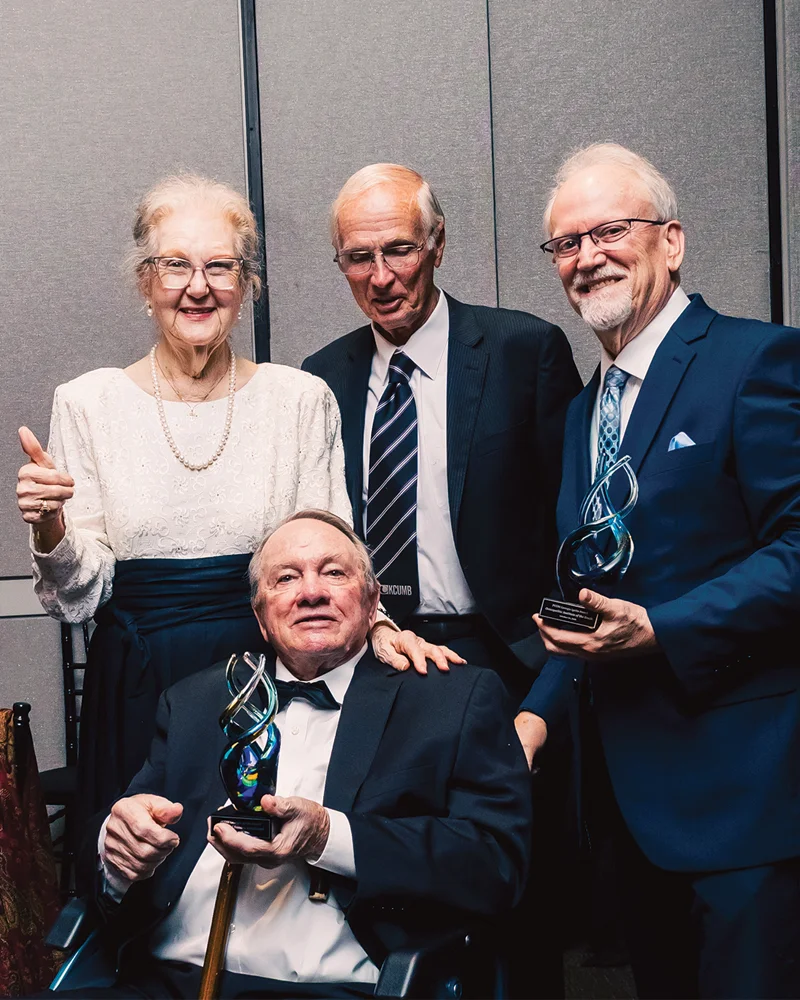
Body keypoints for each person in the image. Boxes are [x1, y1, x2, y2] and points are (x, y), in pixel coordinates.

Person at [15, 175, 459, 825]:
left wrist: (380, 627)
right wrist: (50, 525)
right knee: (151, 882)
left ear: (246, 285)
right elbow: (80, 596)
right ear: (145, 282)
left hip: (275, 676)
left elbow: (333, 550)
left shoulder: (299, 398)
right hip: (141, 684)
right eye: (176, 266)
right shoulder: (87, 402)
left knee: (269, 869)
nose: (199, 286)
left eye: (220, 266)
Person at [516, 143, 800, 999]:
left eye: (609, 230)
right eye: (566, 243)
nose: (586, 256)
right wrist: (532, 721)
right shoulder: (583, 412)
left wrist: (663, 628)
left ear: (670, 242)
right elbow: (590, 596)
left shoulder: (758, 362)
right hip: (627, 810)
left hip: (744, 800)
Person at [54, 510, 532, 999]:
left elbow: (495, 865)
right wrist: (117, 852)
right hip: (165, 982)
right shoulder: (196, 701)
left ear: (373, 604)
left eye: (334, 573)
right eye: (287, 578)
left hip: (331, 988)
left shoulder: (451, 699)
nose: (311, 592)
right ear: (262, 618)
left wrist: (330, 837)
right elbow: (125, 834)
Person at [303, 163, 582, 699]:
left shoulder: (524, 352)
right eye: (358, 258)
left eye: (399, 250)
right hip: (370, 656)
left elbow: (571, 529)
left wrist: (553, 677)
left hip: (504, 654)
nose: (380, 277)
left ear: (438, 244)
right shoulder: (322, 377)